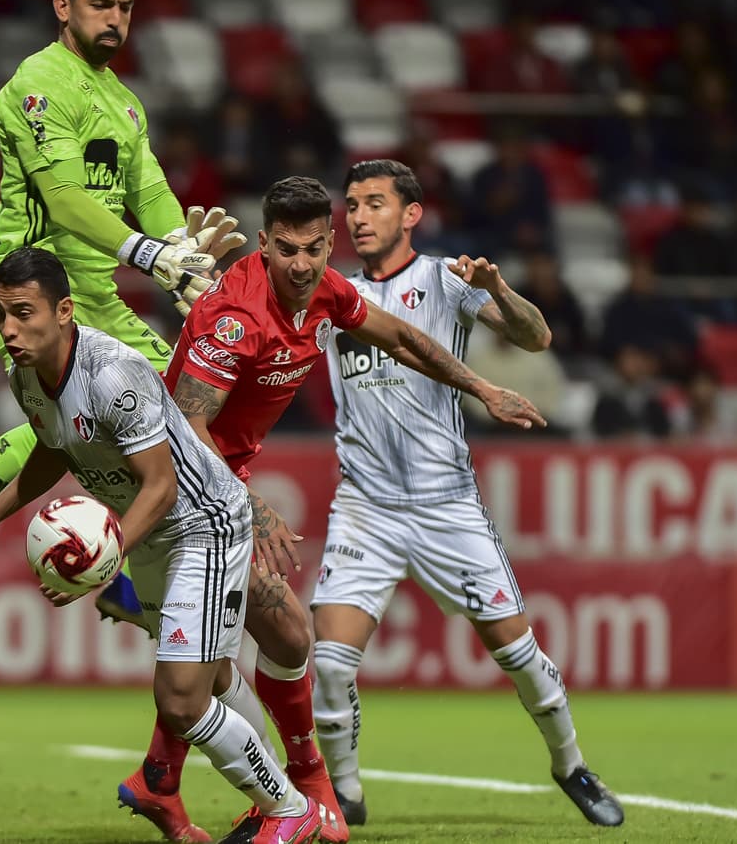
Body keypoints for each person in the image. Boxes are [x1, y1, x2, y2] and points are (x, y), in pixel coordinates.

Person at [123, 176, 545, 844]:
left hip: (219, 487)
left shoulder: (325, 289)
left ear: (329, 244)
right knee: (270, 643)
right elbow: (187, 423)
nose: (300, 264)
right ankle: (299, 789)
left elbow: (403, 338)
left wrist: (482, 387)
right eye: (286, 250)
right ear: (263, 244)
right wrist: (248, 502)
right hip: (187, 490)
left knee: (269, 644)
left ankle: (166, 777)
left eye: (314, 249)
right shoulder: (235, 316)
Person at [0, 0, 240, 619]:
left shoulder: (123, 102)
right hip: (33, 290)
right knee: (66, 429)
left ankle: (129, 576)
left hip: (99, 296)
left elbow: (149, 191)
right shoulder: (38, 85)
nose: (115, 17)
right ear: (63, 7)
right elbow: (65, 199)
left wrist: (182, 250)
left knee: (184, 414)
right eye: (100, 4)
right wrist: (152, 256)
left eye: (125, 6)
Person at [0, 247, 325, 844]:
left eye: (23, 313)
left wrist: (107, 557)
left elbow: (161, 482)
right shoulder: (25, 375)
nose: (9, 329)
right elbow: (54, 446)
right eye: (1, 314)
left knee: (179, 701)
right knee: (215, 681)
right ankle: (280, 801)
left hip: (203, 523)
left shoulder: (113, 374)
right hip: (152, 535)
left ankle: (289, 810)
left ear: (65, 311)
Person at [309, 160, 624, 828]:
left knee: (518, 652)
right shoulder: (331, 293)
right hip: (365, 505)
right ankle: (344, 791)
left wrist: (500, 290)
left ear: (410, 214)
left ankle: (570, 763)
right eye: (353, 205)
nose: (358, 217)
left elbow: (536, 338)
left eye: (374, 204)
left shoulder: (444, 279)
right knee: (331, 662)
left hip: (445, 503)